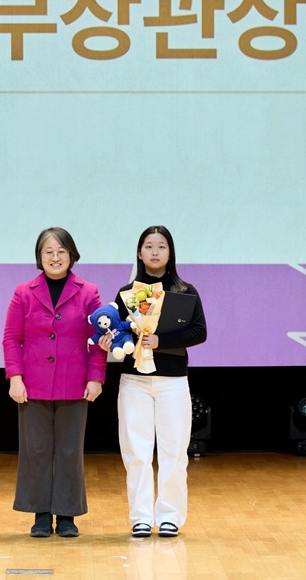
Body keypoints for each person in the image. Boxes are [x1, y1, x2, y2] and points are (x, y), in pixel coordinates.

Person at [102, 226, 207, 539]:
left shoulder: (185, 291)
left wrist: (161, 340)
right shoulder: (127, 292)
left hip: (173, 381)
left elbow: (200, 332)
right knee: (136, 451)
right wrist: (108, 340)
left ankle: (170, 516)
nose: (155, 252)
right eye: (149, 246)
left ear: (170, 252)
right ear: (139, 252)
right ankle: (141, 517)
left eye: (161, 246)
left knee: (174, 450)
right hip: (134, 380)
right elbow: (115, 329)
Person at [2, 227, 107, 538]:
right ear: (40, 256)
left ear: (72, 255)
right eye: (48, 251)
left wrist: (96, 377)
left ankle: (67, 516)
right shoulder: (24, 291)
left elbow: (99, 339)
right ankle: (41, 515)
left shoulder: (89, 292)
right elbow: (11, 338)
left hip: (74, 384)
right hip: (32, 385)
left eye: (61, 251)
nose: (55, 257)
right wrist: (15, 377)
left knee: (69, 450)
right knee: (35, 450)